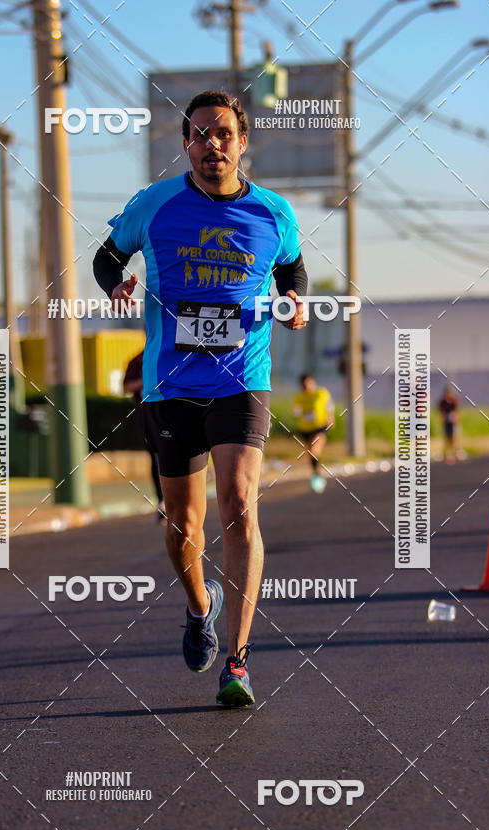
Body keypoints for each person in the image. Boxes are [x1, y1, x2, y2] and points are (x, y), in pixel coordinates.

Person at [93, 89, 307, 706]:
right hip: (170, 382)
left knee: (239, 502)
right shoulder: (155, 205)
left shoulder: (273, 212)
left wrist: (292, 301)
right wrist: (118, 282)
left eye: (224, 134)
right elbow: (107, 257)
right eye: (200, 135)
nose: (213, 145)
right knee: (181, 526)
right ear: (185, 144)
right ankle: (198, 605)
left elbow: (293, 268)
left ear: (243, 143)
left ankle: (237, 662)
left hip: (243, 377)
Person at [123, 349, 165, 523]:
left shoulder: (169, 351)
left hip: (173, 409)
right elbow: (126, 387)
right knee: (155, 456)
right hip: (147, 412)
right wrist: (146, 380)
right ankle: (162, 501)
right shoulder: (138, 360)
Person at [292, 373, 334, 492]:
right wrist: (298, 412)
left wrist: (330, 417)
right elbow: (295, 411)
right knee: (310, 453)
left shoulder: (321, 393)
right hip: (305, 429)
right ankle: (316, 473)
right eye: (304, 385)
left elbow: (329, 405)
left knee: (315, 450)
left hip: (320, 427)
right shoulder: (299, 397)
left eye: (309, 384)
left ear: (313, 382)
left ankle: (317, 476)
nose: (307, 387)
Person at [438, 385, 460, 464]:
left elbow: (456, 412)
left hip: (453, 422)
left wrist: (456, 419)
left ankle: (455, 453)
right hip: (446, 422)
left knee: (453, 438)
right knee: (446, 438)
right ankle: (447, 454)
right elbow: (441, 412)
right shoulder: (442, 402)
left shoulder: (454, 400)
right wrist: (443, 418)